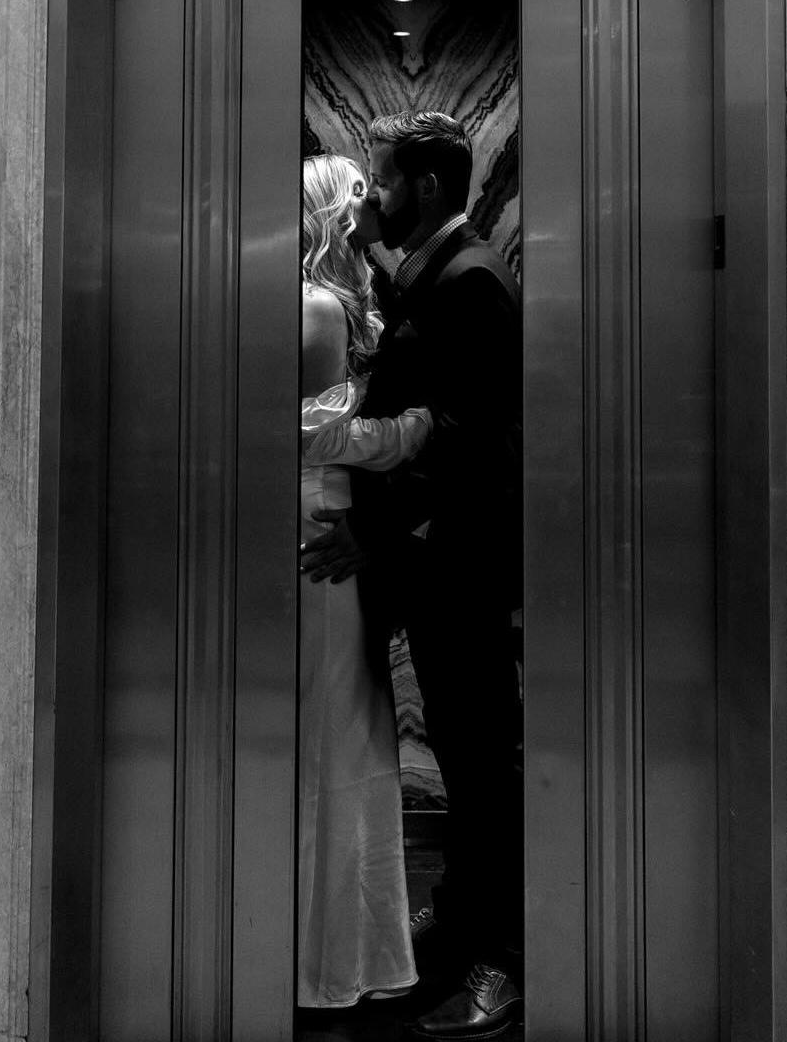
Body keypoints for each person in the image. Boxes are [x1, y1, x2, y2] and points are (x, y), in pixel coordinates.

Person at [302, 112, 524, 1041]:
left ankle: (501, 961)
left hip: (464, 569)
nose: (374, 196)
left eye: (384, 181)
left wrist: (378, 537)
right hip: (435, 571)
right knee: (466, 756)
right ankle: (463, 918)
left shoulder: (474, 279)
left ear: (426, 187)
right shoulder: (433, 270)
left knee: (483, 765)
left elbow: (477, 441)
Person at [297, 152, 432, 1010]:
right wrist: (417, 428)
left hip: (339, 520)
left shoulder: (342, 297)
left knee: (352, 729)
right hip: (322, 522)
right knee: (339, 734)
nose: (374, 199)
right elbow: (316, 434)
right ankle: (327, 963)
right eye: (361, 188)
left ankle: (346, 949)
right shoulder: (317, 305)